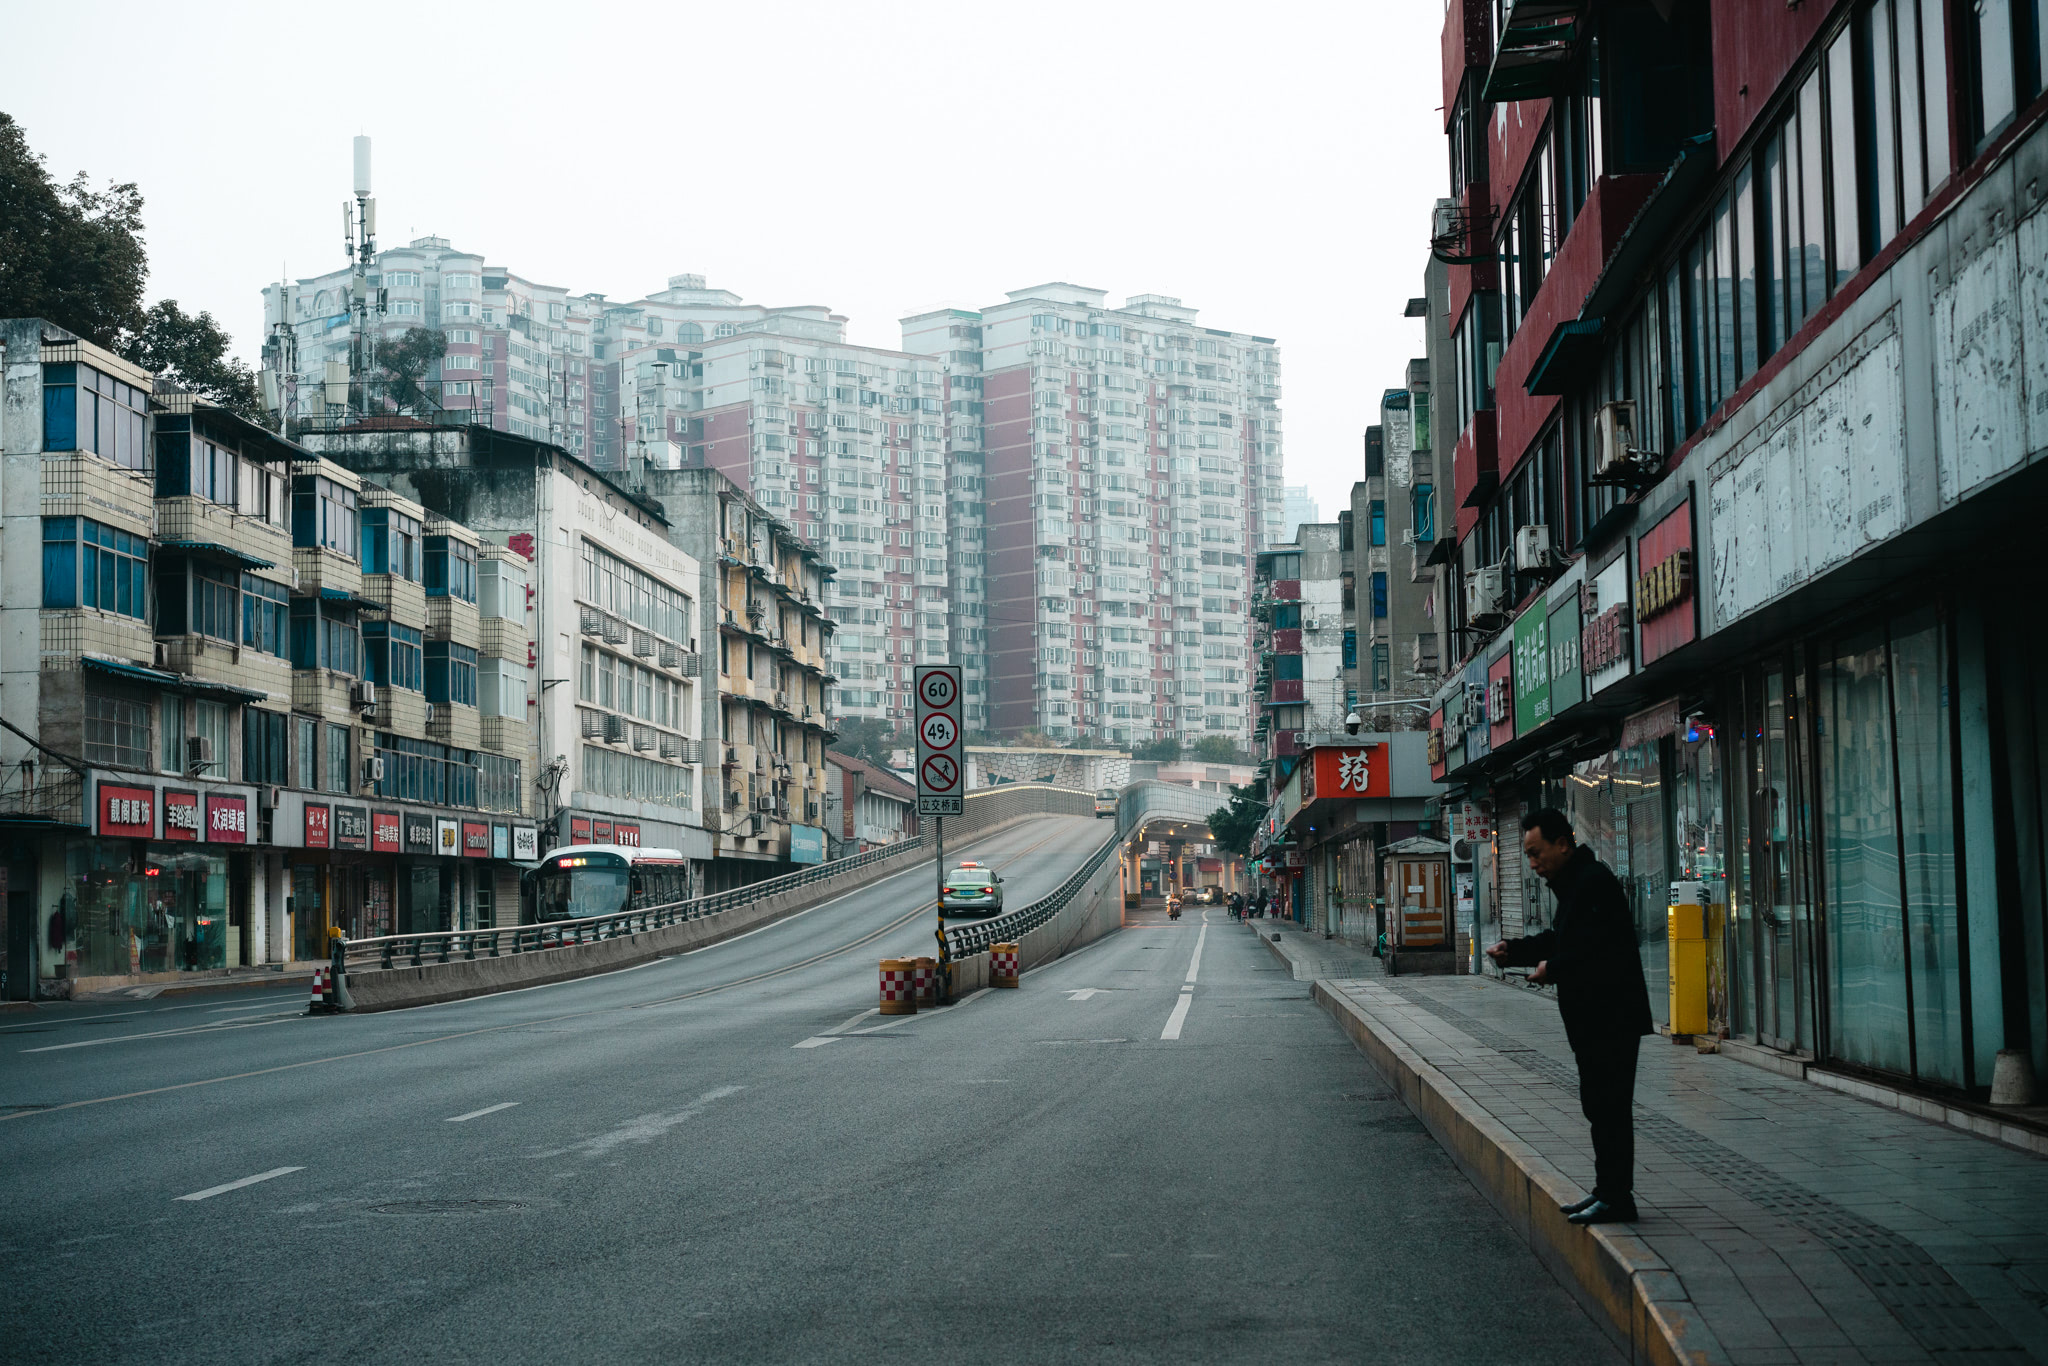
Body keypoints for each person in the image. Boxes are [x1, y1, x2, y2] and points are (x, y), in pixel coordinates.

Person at [1486, 807, 1653, 1226]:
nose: (1533, 863)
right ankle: (1606, 1191)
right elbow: (1560, 940)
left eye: (1536, 852)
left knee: (1610, 1107)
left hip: (1610, 1018)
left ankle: (1617, 1197)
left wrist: (1552, 970)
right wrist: (1516, 950)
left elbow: (1595, 954)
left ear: (1562, 843)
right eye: (1527, 855)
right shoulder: (1574, 884)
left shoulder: (1591, 883)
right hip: (1593, 1018)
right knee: (1599, 1106)